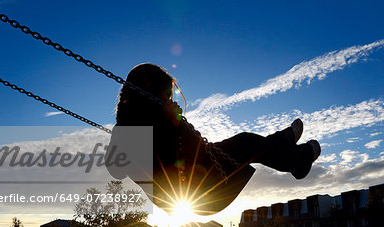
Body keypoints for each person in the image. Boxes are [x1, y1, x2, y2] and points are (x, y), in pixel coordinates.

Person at [113, 63, 320, 215]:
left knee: (247, 143)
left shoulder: (150, 121)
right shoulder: (128, 129)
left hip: (200, 177)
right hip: (198, 192)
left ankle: (283, 143)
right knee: (245, 143)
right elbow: (124, 169)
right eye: (166, 94)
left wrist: (176, 124)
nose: (170, 100)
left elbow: (196, 151)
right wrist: (174, 124)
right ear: (149, 91)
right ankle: (297, 157)